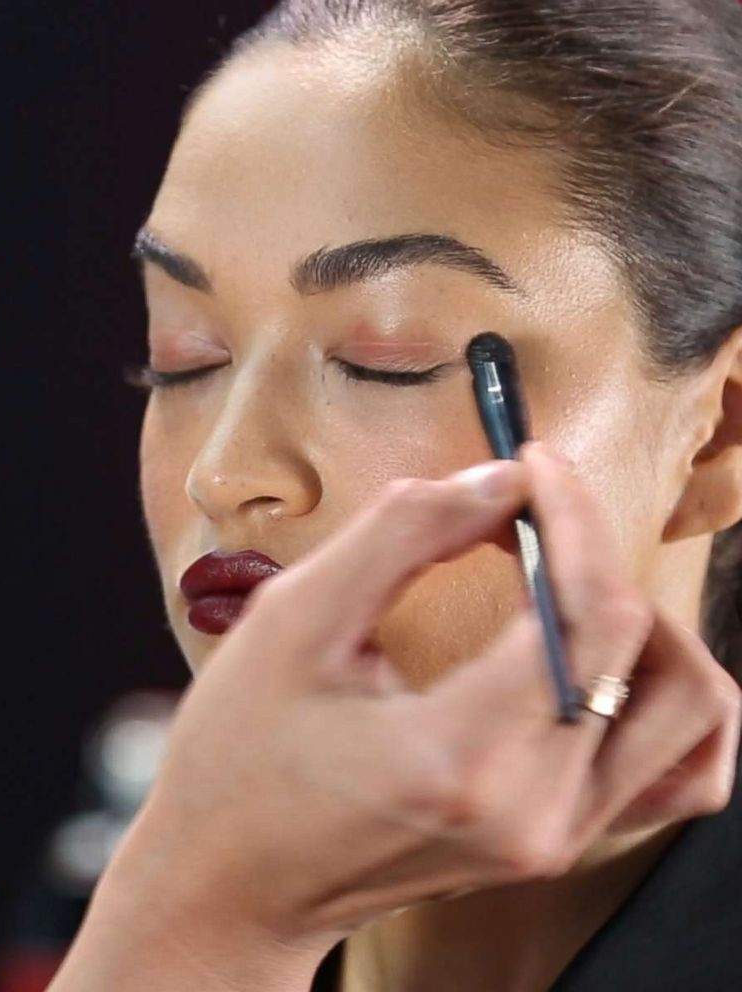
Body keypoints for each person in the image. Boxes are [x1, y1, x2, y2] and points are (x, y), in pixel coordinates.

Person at [48, 2, 742, 989]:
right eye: (185, 356)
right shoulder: (119, 862)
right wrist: (193, 922)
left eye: (388, 359)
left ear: (717, 433)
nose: (225, 470)